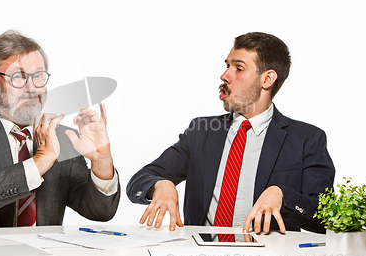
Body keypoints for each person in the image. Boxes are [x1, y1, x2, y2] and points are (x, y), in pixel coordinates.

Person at [127, 32, 335, 234]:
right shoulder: (201, 132)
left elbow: (326, 217)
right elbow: (139, 179)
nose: (224, 75)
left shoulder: (306, 139)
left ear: (267, 79)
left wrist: (283, 195)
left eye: (239, 68)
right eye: (227, 65)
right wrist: (160, 184)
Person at [0, 30, 119, 228]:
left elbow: (100, 211)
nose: (32, 88)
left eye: (38, 76)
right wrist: (40, 161)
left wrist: (102, 161)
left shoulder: (62, 137)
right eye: (18, 77)